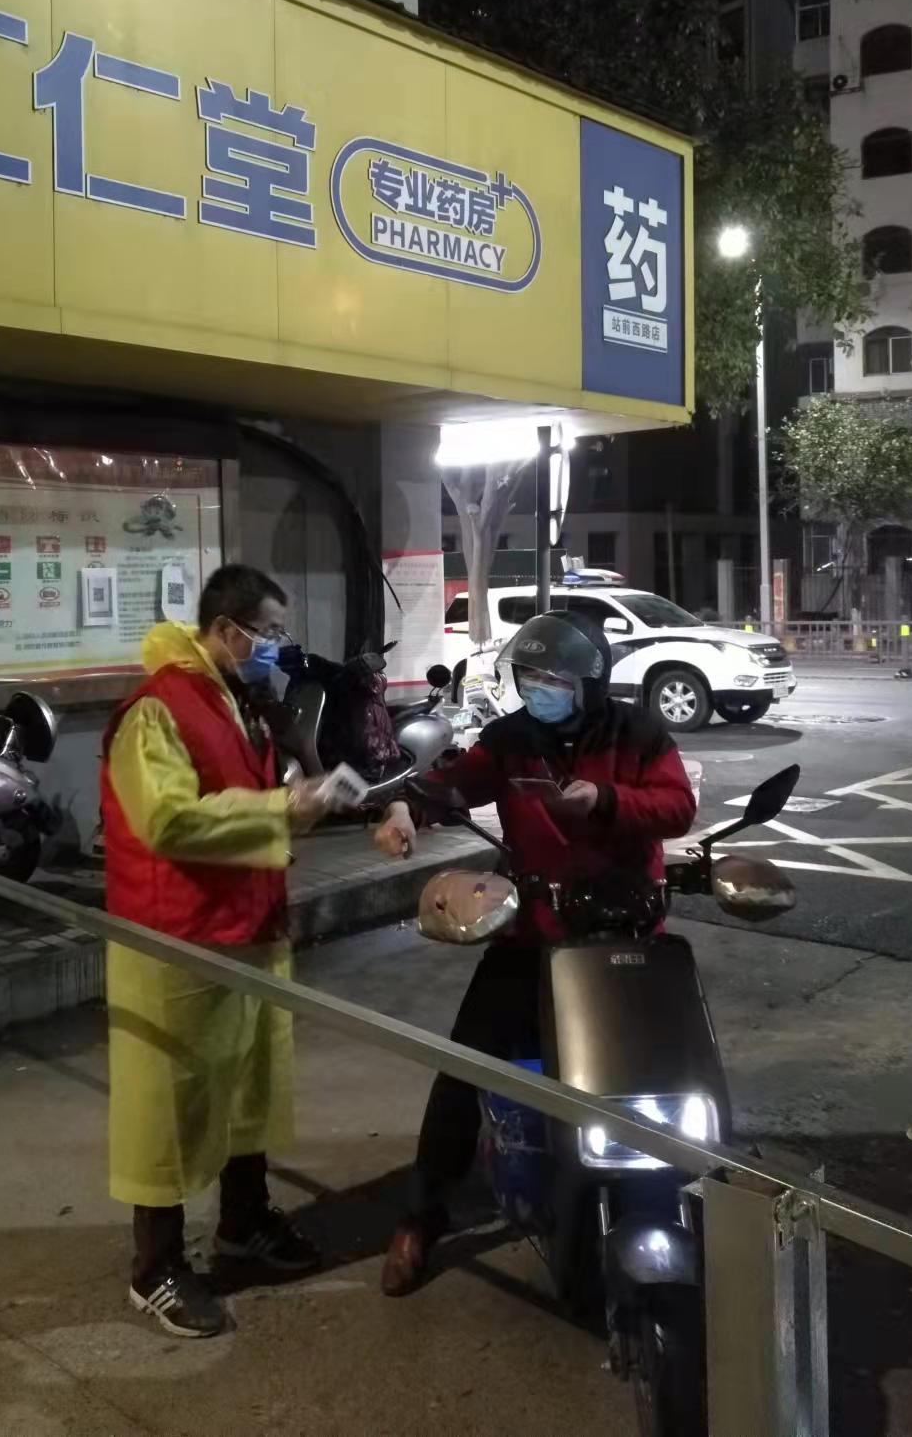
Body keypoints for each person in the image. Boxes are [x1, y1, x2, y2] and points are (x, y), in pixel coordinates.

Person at [371, 609, 697, 1297]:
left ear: (590, 682)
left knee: (670, 1075)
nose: (540, 690)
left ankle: (678, 1184)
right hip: (536, 936)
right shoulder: (510, 739)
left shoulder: (637, 732)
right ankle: (420, 1216)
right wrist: (404, 806)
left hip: (628, 936)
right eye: (530, 677)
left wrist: (604, 799)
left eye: (554, 679)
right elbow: (452, 785)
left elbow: (676, 807)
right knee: (463, 1067)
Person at [102, 563, 339, 1338]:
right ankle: (156, 1267)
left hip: (245, 923)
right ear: (226, 629)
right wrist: (279, 806)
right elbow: (166, 820)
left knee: (245, 1086)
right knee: (168, 1105)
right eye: (268, 631)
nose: (276, 644)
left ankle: (244, 1219)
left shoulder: (235, 698)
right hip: (176, 938)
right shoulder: (157, 709)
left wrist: (300, 803)